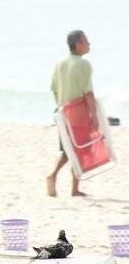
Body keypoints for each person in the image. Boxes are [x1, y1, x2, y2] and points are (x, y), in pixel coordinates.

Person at [48, 29, 96, 197]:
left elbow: (54, 89)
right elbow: (88, 93)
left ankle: (57, 179)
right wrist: (94, 115)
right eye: (86, 41)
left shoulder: (60, 63)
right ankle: (70, 186)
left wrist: (62, 106)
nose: (89, 44)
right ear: (78, 44)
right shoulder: (84, 65)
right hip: (79, 114)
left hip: (63, 113)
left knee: (68, 151)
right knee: (80, 150)